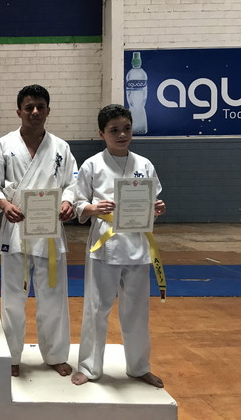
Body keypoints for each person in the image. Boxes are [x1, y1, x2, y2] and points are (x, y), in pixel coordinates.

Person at [0, 84, 77, 377]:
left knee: (54, 298)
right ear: (19, 111)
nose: (35, 112)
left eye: (40, 107)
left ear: (48, 110)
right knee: (13, 300)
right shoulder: (4, 145)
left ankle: (55, 355)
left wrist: (68, 202)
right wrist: (3, 204)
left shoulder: (61, 148)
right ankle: (11, 356)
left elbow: (73, 184)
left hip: (49, 233)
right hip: (16, 230)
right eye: (28, 107)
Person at [70, 104, 166, 387]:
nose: (122, 134)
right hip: (105, 244)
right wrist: (93, 207)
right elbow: (78, 204)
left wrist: (156, 209)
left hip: (137, 243)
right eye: (114, 130)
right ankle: (89, 367)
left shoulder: (145, 165)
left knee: (137, 311)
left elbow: (153, 201)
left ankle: (139, 366)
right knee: (97, 308)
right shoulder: (91, 165)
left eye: (126, 129)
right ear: (102, 133)